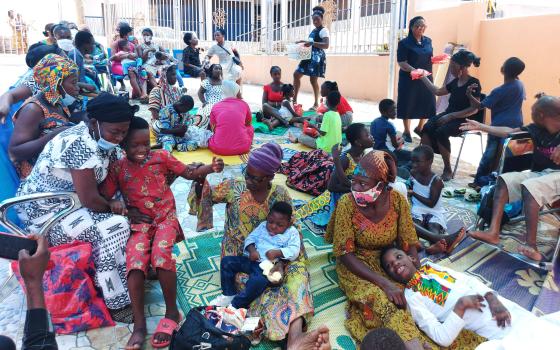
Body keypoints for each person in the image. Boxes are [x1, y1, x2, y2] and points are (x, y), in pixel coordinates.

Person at [100, 117, 224, 349]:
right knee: (135, 263)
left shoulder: (161, 157)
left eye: (146, 143)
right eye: (135, 145)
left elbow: (188, 173)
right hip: (140, 224)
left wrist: (211, 168)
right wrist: (119, 207)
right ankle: (139, 324)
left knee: (160, 255)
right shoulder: (117, 168)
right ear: (123, 146)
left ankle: (170, 313)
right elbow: (105, 196)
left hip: (165, 219)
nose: (142, 149)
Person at [188, 143, 326, 349]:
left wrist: (281, 262)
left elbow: (293, 229)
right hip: (242, 254)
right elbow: (206, 196)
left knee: (298, 276)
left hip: (276, 256)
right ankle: (271, 327)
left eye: (256, 178)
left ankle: (294, 339)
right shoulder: (234, 186)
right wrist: (200, 182)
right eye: (248, 174)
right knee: (255, 285)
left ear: (270, 177)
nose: (249, 180)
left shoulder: (280, 195)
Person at [16, 93, 136, 321]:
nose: (120, 137)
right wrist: (115, 206)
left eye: (124, 131)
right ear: (94, 123)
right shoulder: (79, 144)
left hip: (70, 204)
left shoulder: (98, 137)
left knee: (132, 204)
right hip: (47, 216)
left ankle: (130, 271)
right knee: (116, 226)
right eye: (115, 132)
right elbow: (91, 200)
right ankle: (117, 302)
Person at [381, 247, 560, 348]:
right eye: (389, 266)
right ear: (390, 276)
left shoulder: (432, 267)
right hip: (501, 332)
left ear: (412, 258)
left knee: (547, 331)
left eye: (398, 256)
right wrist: (460, 306)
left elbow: (470, 280)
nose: (395, 263)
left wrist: (492, 298)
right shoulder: (412, 298)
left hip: (506, 309)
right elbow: (441, 337)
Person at [460, 94, 560, 261]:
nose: (531, 113)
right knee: (504, 180)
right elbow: (509, 132)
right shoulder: (536, 128)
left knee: (531, 186)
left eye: (533, 111)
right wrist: (482, 126)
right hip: (540, 175)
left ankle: (531, 245)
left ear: (541, 114)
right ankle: (493, 232)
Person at [211, 201, 301, 309]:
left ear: (289, 224)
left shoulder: (292, 232)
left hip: (268, 267)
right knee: (227, 261)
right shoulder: (263, 226)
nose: (273, 226)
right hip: (252, 260)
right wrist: (252, 250)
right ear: (267, 217)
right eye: (270, 221)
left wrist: (277, 252)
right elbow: (250, 238)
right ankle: (229, 294)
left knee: (258, 281)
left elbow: (294, 250)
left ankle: (235, 305)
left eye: (279, 225)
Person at [9, 53, 79, 179]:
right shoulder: (33, 109)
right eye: (74, 83)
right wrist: (54, 136)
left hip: (54, 164)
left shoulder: (57, 102)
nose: (77, 88)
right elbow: (15, 152)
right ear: (56, 83)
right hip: (38, 175)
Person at [420, 50, 481, 181]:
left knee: (442, 131)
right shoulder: (455, 82)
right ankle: (423, 163)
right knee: (428, 126)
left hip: (464, 119)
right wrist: (423, 77)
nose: (451, 69)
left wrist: (451, 116)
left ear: (463, 67)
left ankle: (447, 168)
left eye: (453, 66)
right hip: (450, 115)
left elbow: (474, 109)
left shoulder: (473, 83)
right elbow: (437, 91)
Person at [466, 57, 526, 189]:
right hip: (515, 127)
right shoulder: (520, 85)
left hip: (497, 128)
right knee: (503, 157)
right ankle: (491, 180)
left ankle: (478, 181)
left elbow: (480, 106)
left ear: (503, 69)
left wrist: (469, 95)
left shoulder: (499, 90)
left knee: (489, 154)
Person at [408, 145, 466, 254]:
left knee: (433, 226)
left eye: (418, 162)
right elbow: (412, 186)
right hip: (418, 209)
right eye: (412, 161)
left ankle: (437, 245)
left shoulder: (436, 180)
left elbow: (431, 204)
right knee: (414, 225)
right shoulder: (413, 172)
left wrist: (413, 193)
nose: (414, 165)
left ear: (430, 162)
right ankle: (427, 245)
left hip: (434, 210)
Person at [397, 16, 435, 143]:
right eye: (417, 26)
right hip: (409, 78)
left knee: (427, 101)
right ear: (411, 27)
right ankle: (406, 131)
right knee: (408, 102)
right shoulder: (404, 43)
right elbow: (402, 62)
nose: (420, 28)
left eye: (423, 26)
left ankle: (420, 127)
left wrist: (436, 60)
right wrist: (415, 70)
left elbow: (430, 57)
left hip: (426, 76)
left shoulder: (428, 41)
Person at [293, 6, 329, 110]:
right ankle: (294, 100)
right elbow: (311, 43)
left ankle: (316, 104)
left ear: (322, 19)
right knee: (296, 74)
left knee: (313, 80)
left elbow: (326, 45)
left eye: (317, 19)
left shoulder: (324, 30)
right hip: (307, 56)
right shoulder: (314, 30)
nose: (315, 21)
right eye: (313, 19)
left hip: (316, 58)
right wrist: (302, 41)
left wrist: (312, 43)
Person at [328, 123, 374, 204]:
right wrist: (358, 190)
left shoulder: (364, 154)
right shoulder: (345, 159)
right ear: (358, 143)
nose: (371, 137)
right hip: (338, 200)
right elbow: (331, 187)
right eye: (367, 135)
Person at [208, 80, 253, 156]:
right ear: (236, 91)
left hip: (218, 148)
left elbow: (213, 128)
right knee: (250, 128)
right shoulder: (244, 104)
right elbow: (248, 123)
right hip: (243, 148)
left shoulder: (216, 106)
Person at [110, 23, 147, 100]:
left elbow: (136, 57)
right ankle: (141, 95)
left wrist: (137, 48)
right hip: (118, 65)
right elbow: (113, 58)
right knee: (131, 72)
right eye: (130, 34)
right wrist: (126, 56)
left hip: (130, 63)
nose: (131, 36)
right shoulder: (115, 44)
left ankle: (142, 93)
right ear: (125, 34)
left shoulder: (131, 45)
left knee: (141, 71)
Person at [371, 98, 411, 168]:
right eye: (392, 111)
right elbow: (395, 145)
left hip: (375, 151)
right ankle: (400, 167)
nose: (395, 112)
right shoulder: (389, 125)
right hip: (387, 153)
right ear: (383, 112)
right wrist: (402, 139)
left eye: (395, 109)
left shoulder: (374, 121)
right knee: (413, 156)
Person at [195, 64, 224, 128]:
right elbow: (200, 93)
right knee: (209, 115)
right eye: (216, 69)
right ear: (211, 71)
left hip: (222, 104)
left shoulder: (223, 82)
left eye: (220, 69)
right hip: (210, 103)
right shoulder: (207, 81)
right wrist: (204, 102)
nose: (218, 70)